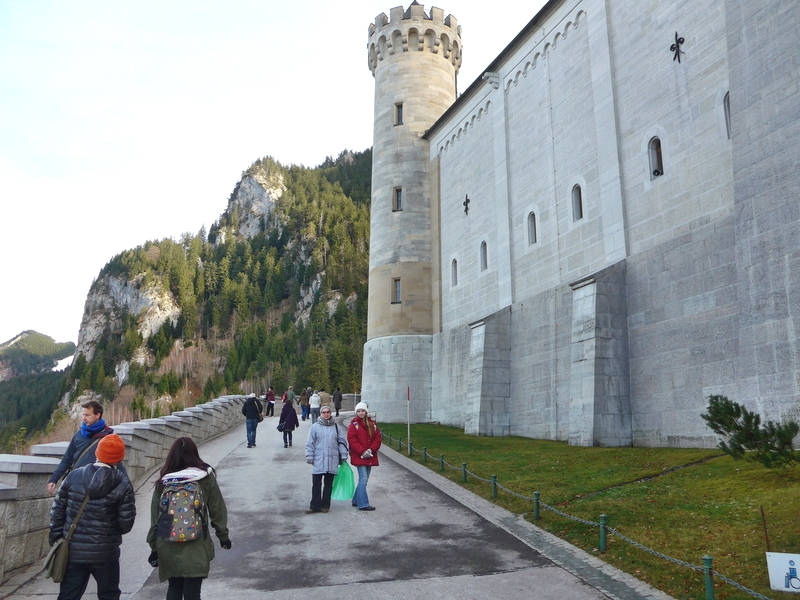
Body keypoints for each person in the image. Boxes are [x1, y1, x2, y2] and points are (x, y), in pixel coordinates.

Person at [49, 433, 136, 600]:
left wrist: (56, 539)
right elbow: (126, 525)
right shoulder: (123, 484)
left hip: (73, 550)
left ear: (97, 453)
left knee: (68, 595)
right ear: (119, 459)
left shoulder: (73, 476)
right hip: (106, 553)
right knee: (109, 595)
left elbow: (57, 513)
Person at [147, 437, 230, 600]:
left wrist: (154, 548)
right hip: (197, 542)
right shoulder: (205, 477)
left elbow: (156, 518)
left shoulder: (164, 481)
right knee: (193, 592)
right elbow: (217, 509)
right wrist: (223, 536)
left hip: (168, 543)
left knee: (174, 587)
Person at [48, 400, 122, 495]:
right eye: (83, 415)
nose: (83, 418)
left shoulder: (108, 437)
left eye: (87, 415)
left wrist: (125, 486)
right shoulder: (78, 435)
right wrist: (54, 479)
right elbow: (67, 459)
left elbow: (117, 463)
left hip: (99, 486)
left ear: (97, 415)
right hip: (77, 483)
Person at [304, 406, 348, 514]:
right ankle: (314, 506)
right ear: (320, 414)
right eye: (324, 412)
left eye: (328, 412)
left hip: (331, 459)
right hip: (318, 459)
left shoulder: (336, 427)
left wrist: (343, 455)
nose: (326, 414)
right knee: (316, 484)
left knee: (328, 484)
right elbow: (310, 443)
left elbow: (342, 442)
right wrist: (309, 456)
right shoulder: (315, 427)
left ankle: (325, 505)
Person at [347, 402, 381, 511]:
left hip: (369, 455)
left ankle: (356, 500)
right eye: (358, 411)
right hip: (360, 456)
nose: (360, 413)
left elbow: (377, 439)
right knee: (363, 479)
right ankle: (363, 504)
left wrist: (371, 449)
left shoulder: (372, 425)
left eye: (362, 411)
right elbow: (352, 440)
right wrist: (362, 451)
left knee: (364, 479)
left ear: (366, 412)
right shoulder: (354, 425)